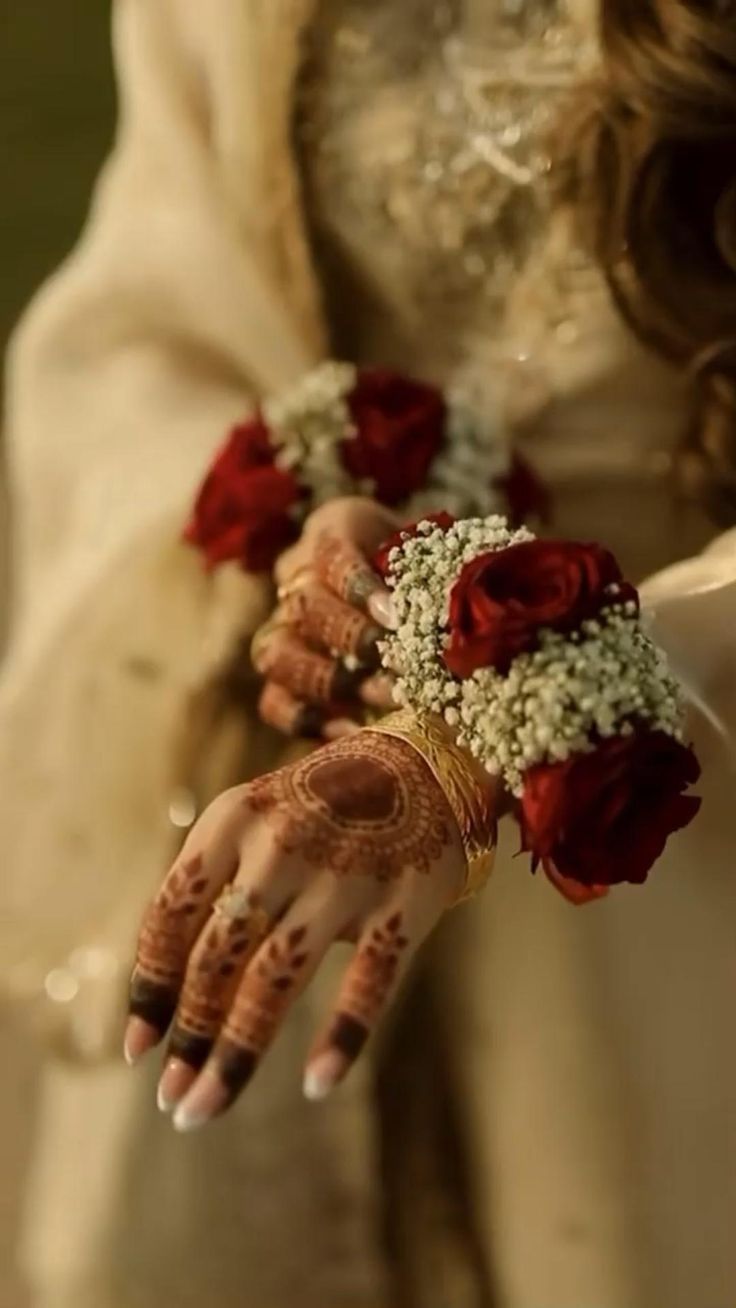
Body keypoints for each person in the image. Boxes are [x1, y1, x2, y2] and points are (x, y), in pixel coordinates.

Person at [2, 1, 735, 1306]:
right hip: (300, 803)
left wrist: (519, 704)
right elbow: (138, 328)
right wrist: (307, 533)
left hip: (681, 809)